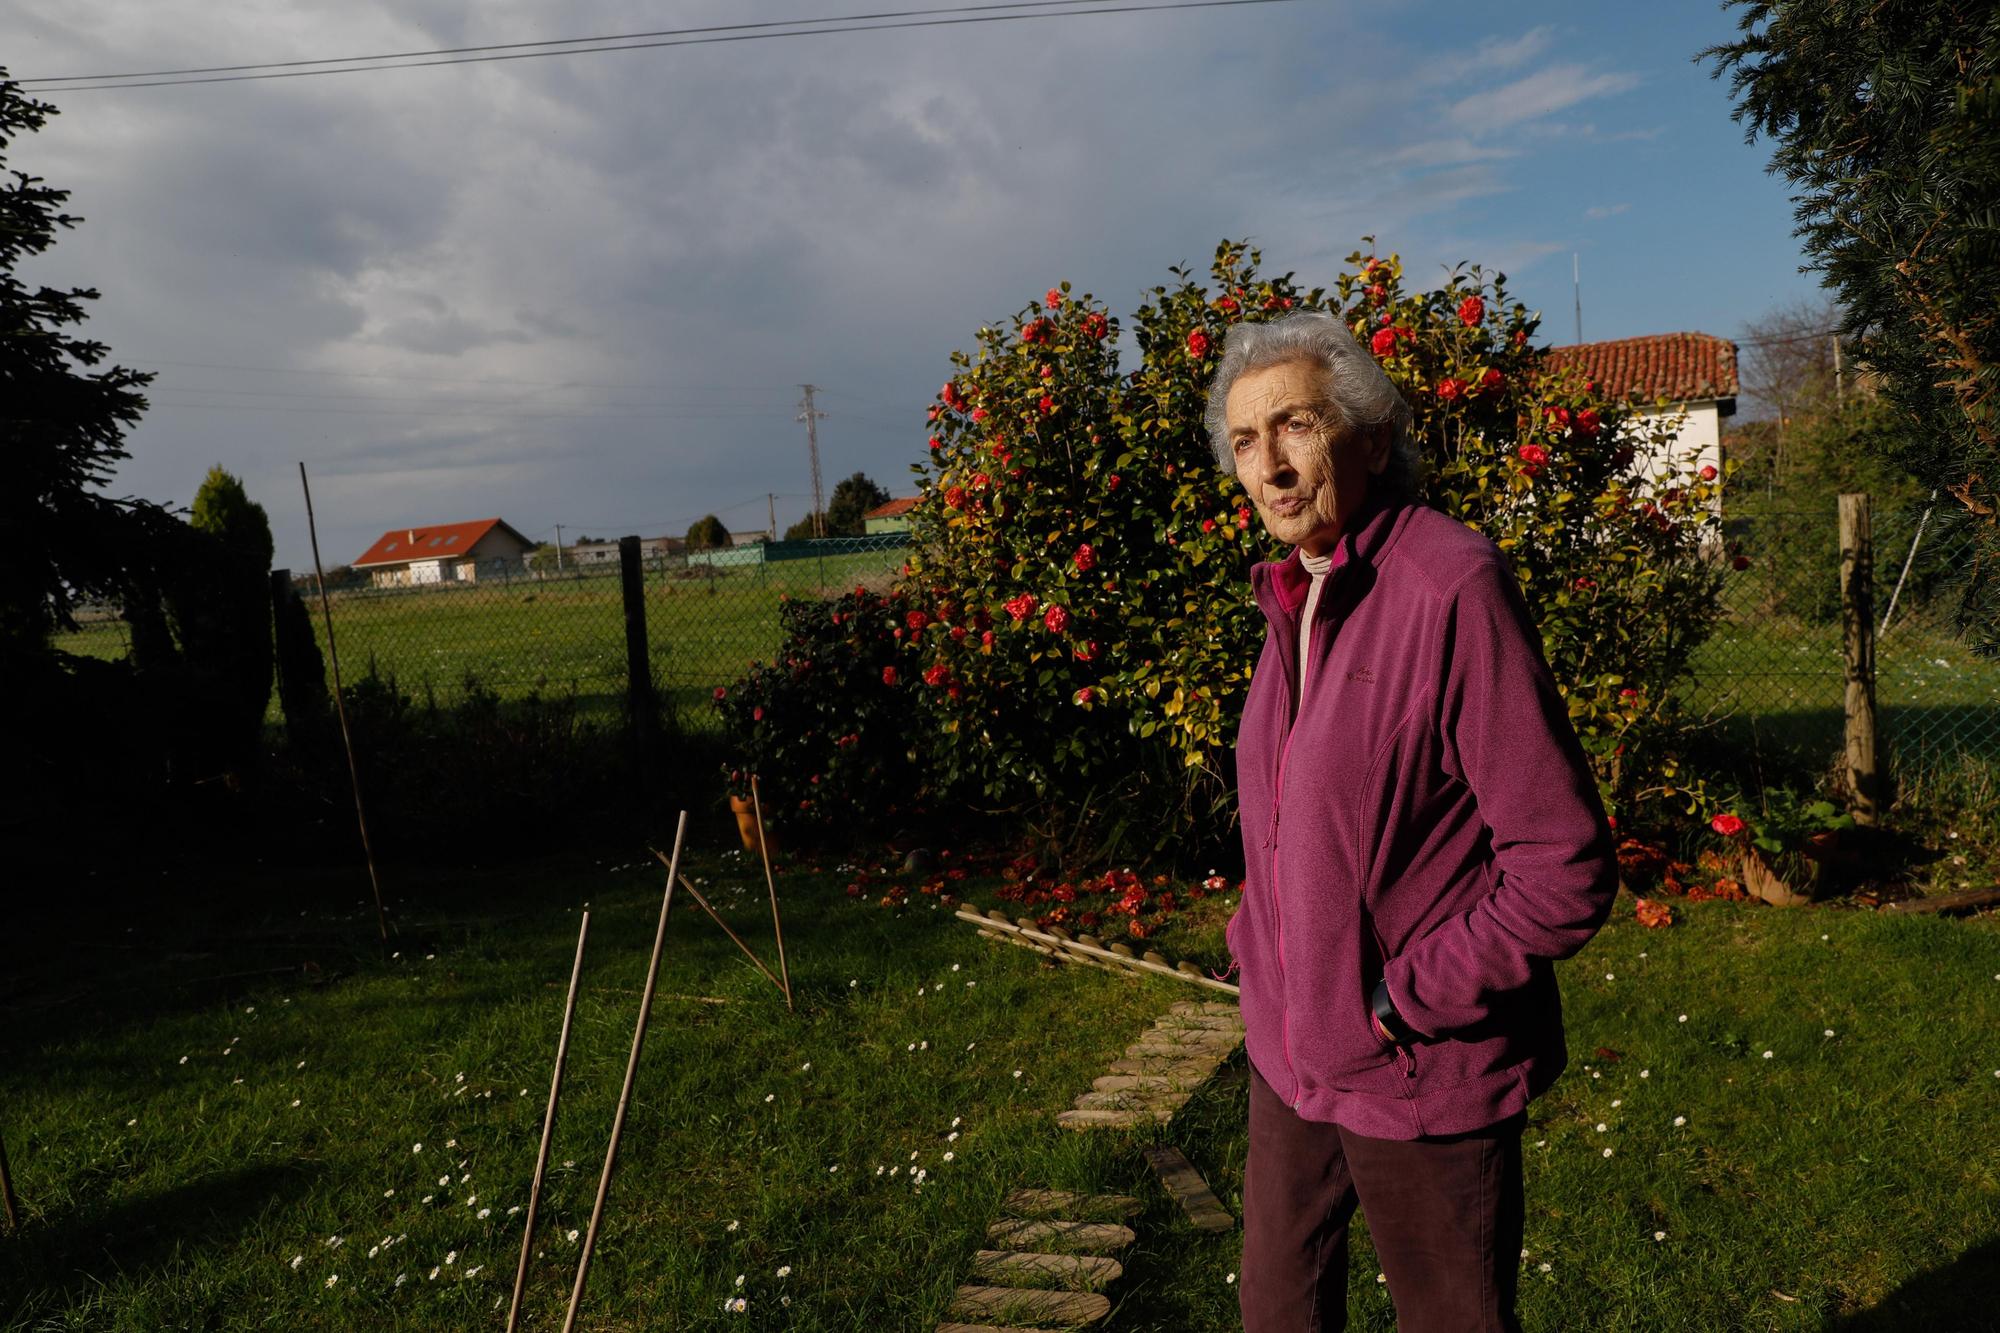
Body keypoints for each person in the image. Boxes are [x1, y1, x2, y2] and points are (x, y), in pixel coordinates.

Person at [1210, 312, 1617, 1333]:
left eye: (1294, 424)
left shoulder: (1448, 585)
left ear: (1373, 436)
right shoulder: (1291, 593)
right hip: (1290, 1060)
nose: (1268, 463)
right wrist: (1258, 952)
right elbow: (1288, 820)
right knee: (1276, 1312)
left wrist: (1397, 1000)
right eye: (1244, 440)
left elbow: (1559, 868)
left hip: (1418, 1067)